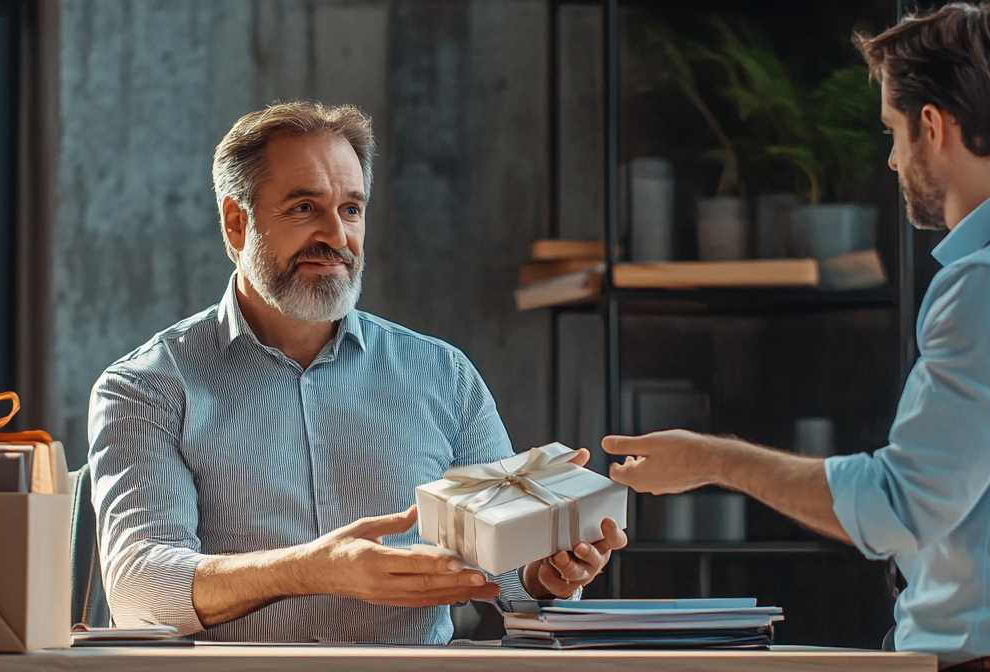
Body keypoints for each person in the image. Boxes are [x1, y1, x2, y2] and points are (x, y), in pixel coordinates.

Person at [602, 3, 990, 671]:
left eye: (894, 131)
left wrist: (712, 460)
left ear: (934, 127)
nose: (893, 160)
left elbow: (897, 510)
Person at [88, 101, 625, 643]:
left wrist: (548, 571)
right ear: (236, 222)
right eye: (304, 208)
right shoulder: (147, 387)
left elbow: (514, 575)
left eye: (351, 209)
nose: (336, 236)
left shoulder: (442, 375)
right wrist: (311, 568)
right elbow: (139, 590)